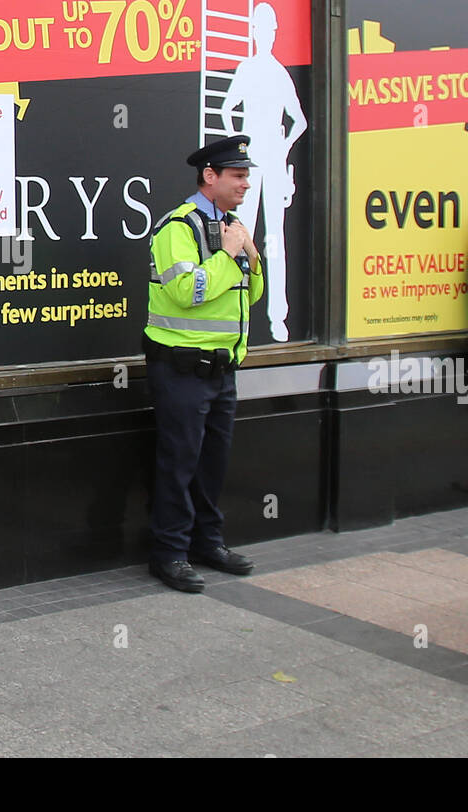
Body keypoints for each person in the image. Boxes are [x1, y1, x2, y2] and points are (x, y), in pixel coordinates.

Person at [143, 135, 264, 592]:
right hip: (181, 369)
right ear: (209, 176)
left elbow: (250, 296)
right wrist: (232, 255)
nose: (245, 184)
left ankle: (207, 542)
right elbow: (188, 293)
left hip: (223, 369)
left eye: (247, 175)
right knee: (179, 463)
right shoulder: (178, 227)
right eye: (237, 175)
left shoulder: (232, 226)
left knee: (212, 463)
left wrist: (248, 255)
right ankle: (169, 552)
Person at [220, 2, 307, 343]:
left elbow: (299, 120)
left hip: (270, 157)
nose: (265, 35)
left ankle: (277, 317)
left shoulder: (278, 72)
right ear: (254, 32)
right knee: (243, 234)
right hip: (251, 160)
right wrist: (238, 145)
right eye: (261, 29)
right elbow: (228, 108)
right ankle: (239, 308)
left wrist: (282, 148)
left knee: (275, 239)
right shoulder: (249, 68)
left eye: (270, 29)